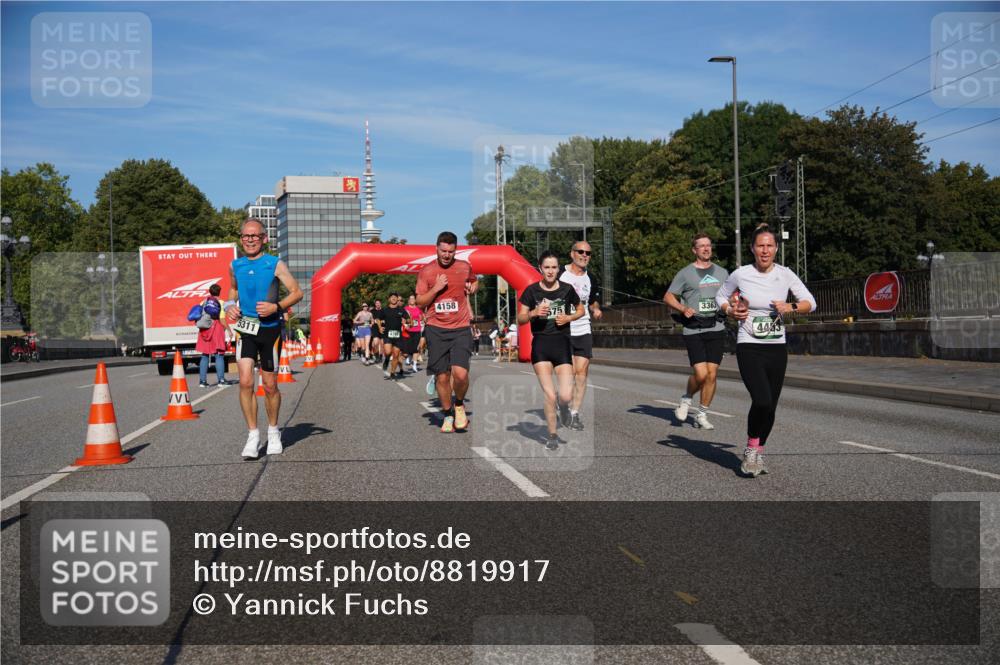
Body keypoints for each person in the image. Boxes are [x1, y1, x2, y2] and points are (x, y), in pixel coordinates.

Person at [716, 223, 816, 477]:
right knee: (760, 399)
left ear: (776, 249)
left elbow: (810, 303)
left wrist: (790, 307)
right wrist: (731, 310)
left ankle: (759, 452)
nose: (765, 250)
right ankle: (751, 449)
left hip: (776, 347)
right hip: (749, 344)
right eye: (760, 245)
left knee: (771, 405)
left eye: (769, 245)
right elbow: (720, 297)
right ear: (752, 248)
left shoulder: (785, 274)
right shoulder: (741, 274)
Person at [224, 219, 303, 460]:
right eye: (246, 236)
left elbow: (297, 292)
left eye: (255, 236)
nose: (250, 240)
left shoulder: (274, 264)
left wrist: (276, 307)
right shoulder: (234, 265)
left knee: (269, 386)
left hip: (269, 331)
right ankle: (252, 435)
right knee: (245, 381)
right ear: (241, 239)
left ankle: (273, 430)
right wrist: (229, 306)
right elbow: (233, 291)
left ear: (264, 238)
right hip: (246, 329)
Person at [517, 250, 584, 450]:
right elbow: (520, 319)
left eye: (554, 267)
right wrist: (534, 312)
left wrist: (569, 318)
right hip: (541, 345)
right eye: (546, 267)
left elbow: (581, 309)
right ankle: (552, 435)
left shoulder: (567, 289)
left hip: (562, 343)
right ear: (540, 269)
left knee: (564, 395)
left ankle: (564, 409)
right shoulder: (531, 291)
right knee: (550, 395)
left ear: (558, 269)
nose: (550, 271)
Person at [663, 233, 729, 430]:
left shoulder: (723, 272)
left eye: (709, 245)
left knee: (712, 374)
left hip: (716, 326)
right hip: (694, 329)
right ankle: (686, 398)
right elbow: (668, 296)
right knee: (700, 375)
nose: (706, 249)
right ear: (694, 250)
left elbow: (732, 294)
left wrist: (734, 302)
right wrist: (683, 308)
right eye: (701, 246)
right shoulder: (685, 273)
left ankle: (702, 414)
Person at [415, 231, 478, 433]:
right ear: (437, 248)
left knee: (460, 374)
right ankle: (448, 413)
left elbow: (474, 281)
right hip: (436, 328)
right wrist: (436, 289)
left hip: (460, 327)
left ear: (455, 250)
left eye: (450, 251)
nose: (446, 255)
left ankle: (458, 404)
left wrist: (473, 287)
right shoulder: (427, 271)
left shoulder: (464, 266)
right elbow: (419, 302)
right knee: (442, 377)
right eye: (443, 251)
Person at [558, 241, 603, 430]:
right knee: (568, 374)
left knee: (581, 373)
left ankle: (574, 413)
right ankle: (563, 405)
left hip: (583, 328)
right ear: (572, 253)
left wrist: (596, 309)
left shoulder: (591, 277)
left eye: (588, 253)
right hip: (563, 329)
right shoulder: (560, 273)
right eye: (581, 252)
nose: (585, 255)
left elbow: (592, 301)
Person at [196, 283, 231, 387]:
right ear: (219, 292)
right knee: (219, 355)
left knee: (205, 355)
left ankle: (202, 381)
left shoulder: (203, 302)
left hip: (204, 330)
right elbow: (222, 319)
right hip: (216, 329)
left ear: (210, 291)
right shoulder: (220, 302)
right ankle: (221, 380)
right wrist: (229, 330)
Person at [379, 292, 412, 379]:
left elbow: (409, 319)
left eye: (395, 297)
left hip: (398, 336)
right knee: (388, 352)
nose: (393, 298)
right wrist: (379, 327)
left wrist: (408, 321)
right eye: (392, 297)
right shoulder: (385, 310)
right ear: (389, 299)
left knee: (396, 355)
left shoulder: (401, 310)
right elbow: (378, 319)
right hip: (387, 335)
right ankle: (386, 359)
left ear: (397, 299)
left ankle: (392, 373)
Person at [404, 294, 424, 371]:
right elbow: (403, 319)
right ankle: (409, 356)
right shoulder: (405, 309)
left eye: (413, 298)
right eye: (411, 299)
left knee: (416, 347)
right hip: (408, 330)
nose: (412, 300)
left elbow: (421, 317)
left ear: (415, 300)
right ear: (408, 300)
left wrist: (421, 318)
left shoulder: (418, 309)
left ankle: (414, 364)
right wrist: (406, 324)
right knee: (409, 347)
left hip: (417, 330)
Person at [370, 299, 385, 365]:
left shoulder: (384, 310)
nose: (378, 304)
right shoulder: (372, 311)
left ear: (380, 304)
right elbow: (370, 319)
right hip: (375, 328)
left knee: (382, 344)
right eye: (376, 303)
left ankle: (381, 356)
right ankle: (376, 356)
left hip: (382, 328)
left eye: (379, 303)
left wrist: (383, 321)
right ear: (375, 304)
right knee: (376, 343)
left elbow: (386, 319)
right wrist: (372, 322)